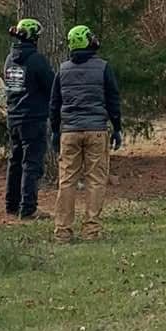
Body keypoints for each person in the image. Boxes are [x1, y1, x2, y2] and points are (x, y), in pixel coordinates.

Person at [50, 24, 122, 242]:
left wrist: (55, 131)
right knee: (95, 180)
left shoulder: (62, 70)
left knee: (67, 181)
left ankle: (62, 231)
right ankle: (92, 230)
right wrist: (117, 127)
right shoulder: (103, 67)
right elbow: (113, 100)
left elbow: (54, 104)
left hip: (69, 132)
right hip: (96, 131)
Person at [2, 17, 55, 221]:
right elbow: (51, 87)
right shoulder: (36, 60)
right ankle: (28, 208)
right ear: (34, 38)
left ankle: (11, 204)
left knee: (15, 161)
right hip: (33, 119)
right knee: (32, 163)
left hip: (13, 117)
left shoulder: (9, 59)